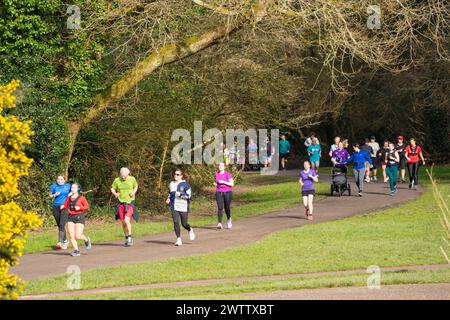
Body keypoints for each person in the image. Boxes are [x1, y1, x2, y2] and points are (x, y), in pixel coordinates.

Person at [60, 183, 91, 257]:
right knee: (71, 236)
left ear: (78, 189)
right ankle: (76, 250)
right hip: (70, 217)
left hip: (79, 217)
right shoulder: (69, 197)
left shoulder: (81, 198)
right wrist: (62, 206)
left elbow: (87, 206)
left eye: (74, 188)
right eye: (72, 187)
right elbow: (65, 204)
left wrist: (80, 207)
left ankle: (86, 240)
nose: (72, 189)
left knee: (78, 236)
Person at [166, 169, 195, 246]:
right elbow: (170, 193)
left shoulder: (186, 185)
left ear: (181, 176)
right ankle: (178, 239)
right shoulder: (171, 184)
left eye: (178, 174)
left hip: (183, 207)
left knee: (184, 224)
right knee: (175, 222)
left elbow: (189, 196)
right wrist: (168, 198)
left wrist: (181, 195)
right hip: (174, 206)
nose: (175, 175)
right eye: (175, 174)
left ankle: (190, 229)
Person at [111, 167, 138, 247]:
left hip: (130, 202)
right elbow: (112, 188)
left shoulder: (132, 179)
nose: (123, 177)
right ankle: (126, 237)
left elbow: (136, 186)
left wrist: (133, 192)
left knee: (127, 220)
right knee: (123, 222)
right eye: (122, 175)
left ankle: (130, 237)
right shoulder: (117, 180)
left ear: (128, 174)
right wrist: (115, 194)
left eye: (124, 175)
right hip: (121, 203)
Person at [49, 175, 72, 250]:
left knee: (62, 224)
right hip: (56, 207)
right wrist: (54, 195)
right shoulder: (54, 186)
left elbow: (77, 189)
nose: (59, 180)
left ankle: (60, 242)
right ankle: (65, 241)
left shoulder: (68, 186)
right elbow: (50, 196)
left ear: (64, 180)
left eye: (61, 179)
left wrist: (70, 194)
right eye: (58, 179)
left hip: (65, 207)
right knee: (60, 225)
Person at [215, 162, 234, 229]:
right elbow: (217, 182)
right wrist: (216, 184)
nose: (220, 166)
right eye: (219, 165)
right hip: (219, 192)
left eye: (222, 165)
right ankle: (219, 223)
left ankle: (229, 219)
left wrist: (223, 182)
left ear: (224, 167)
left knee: (227, 208)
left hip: (227, 192)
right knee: (220, 208)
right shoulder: (216, 174)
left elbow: (232, 184)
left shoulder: (227, 174)